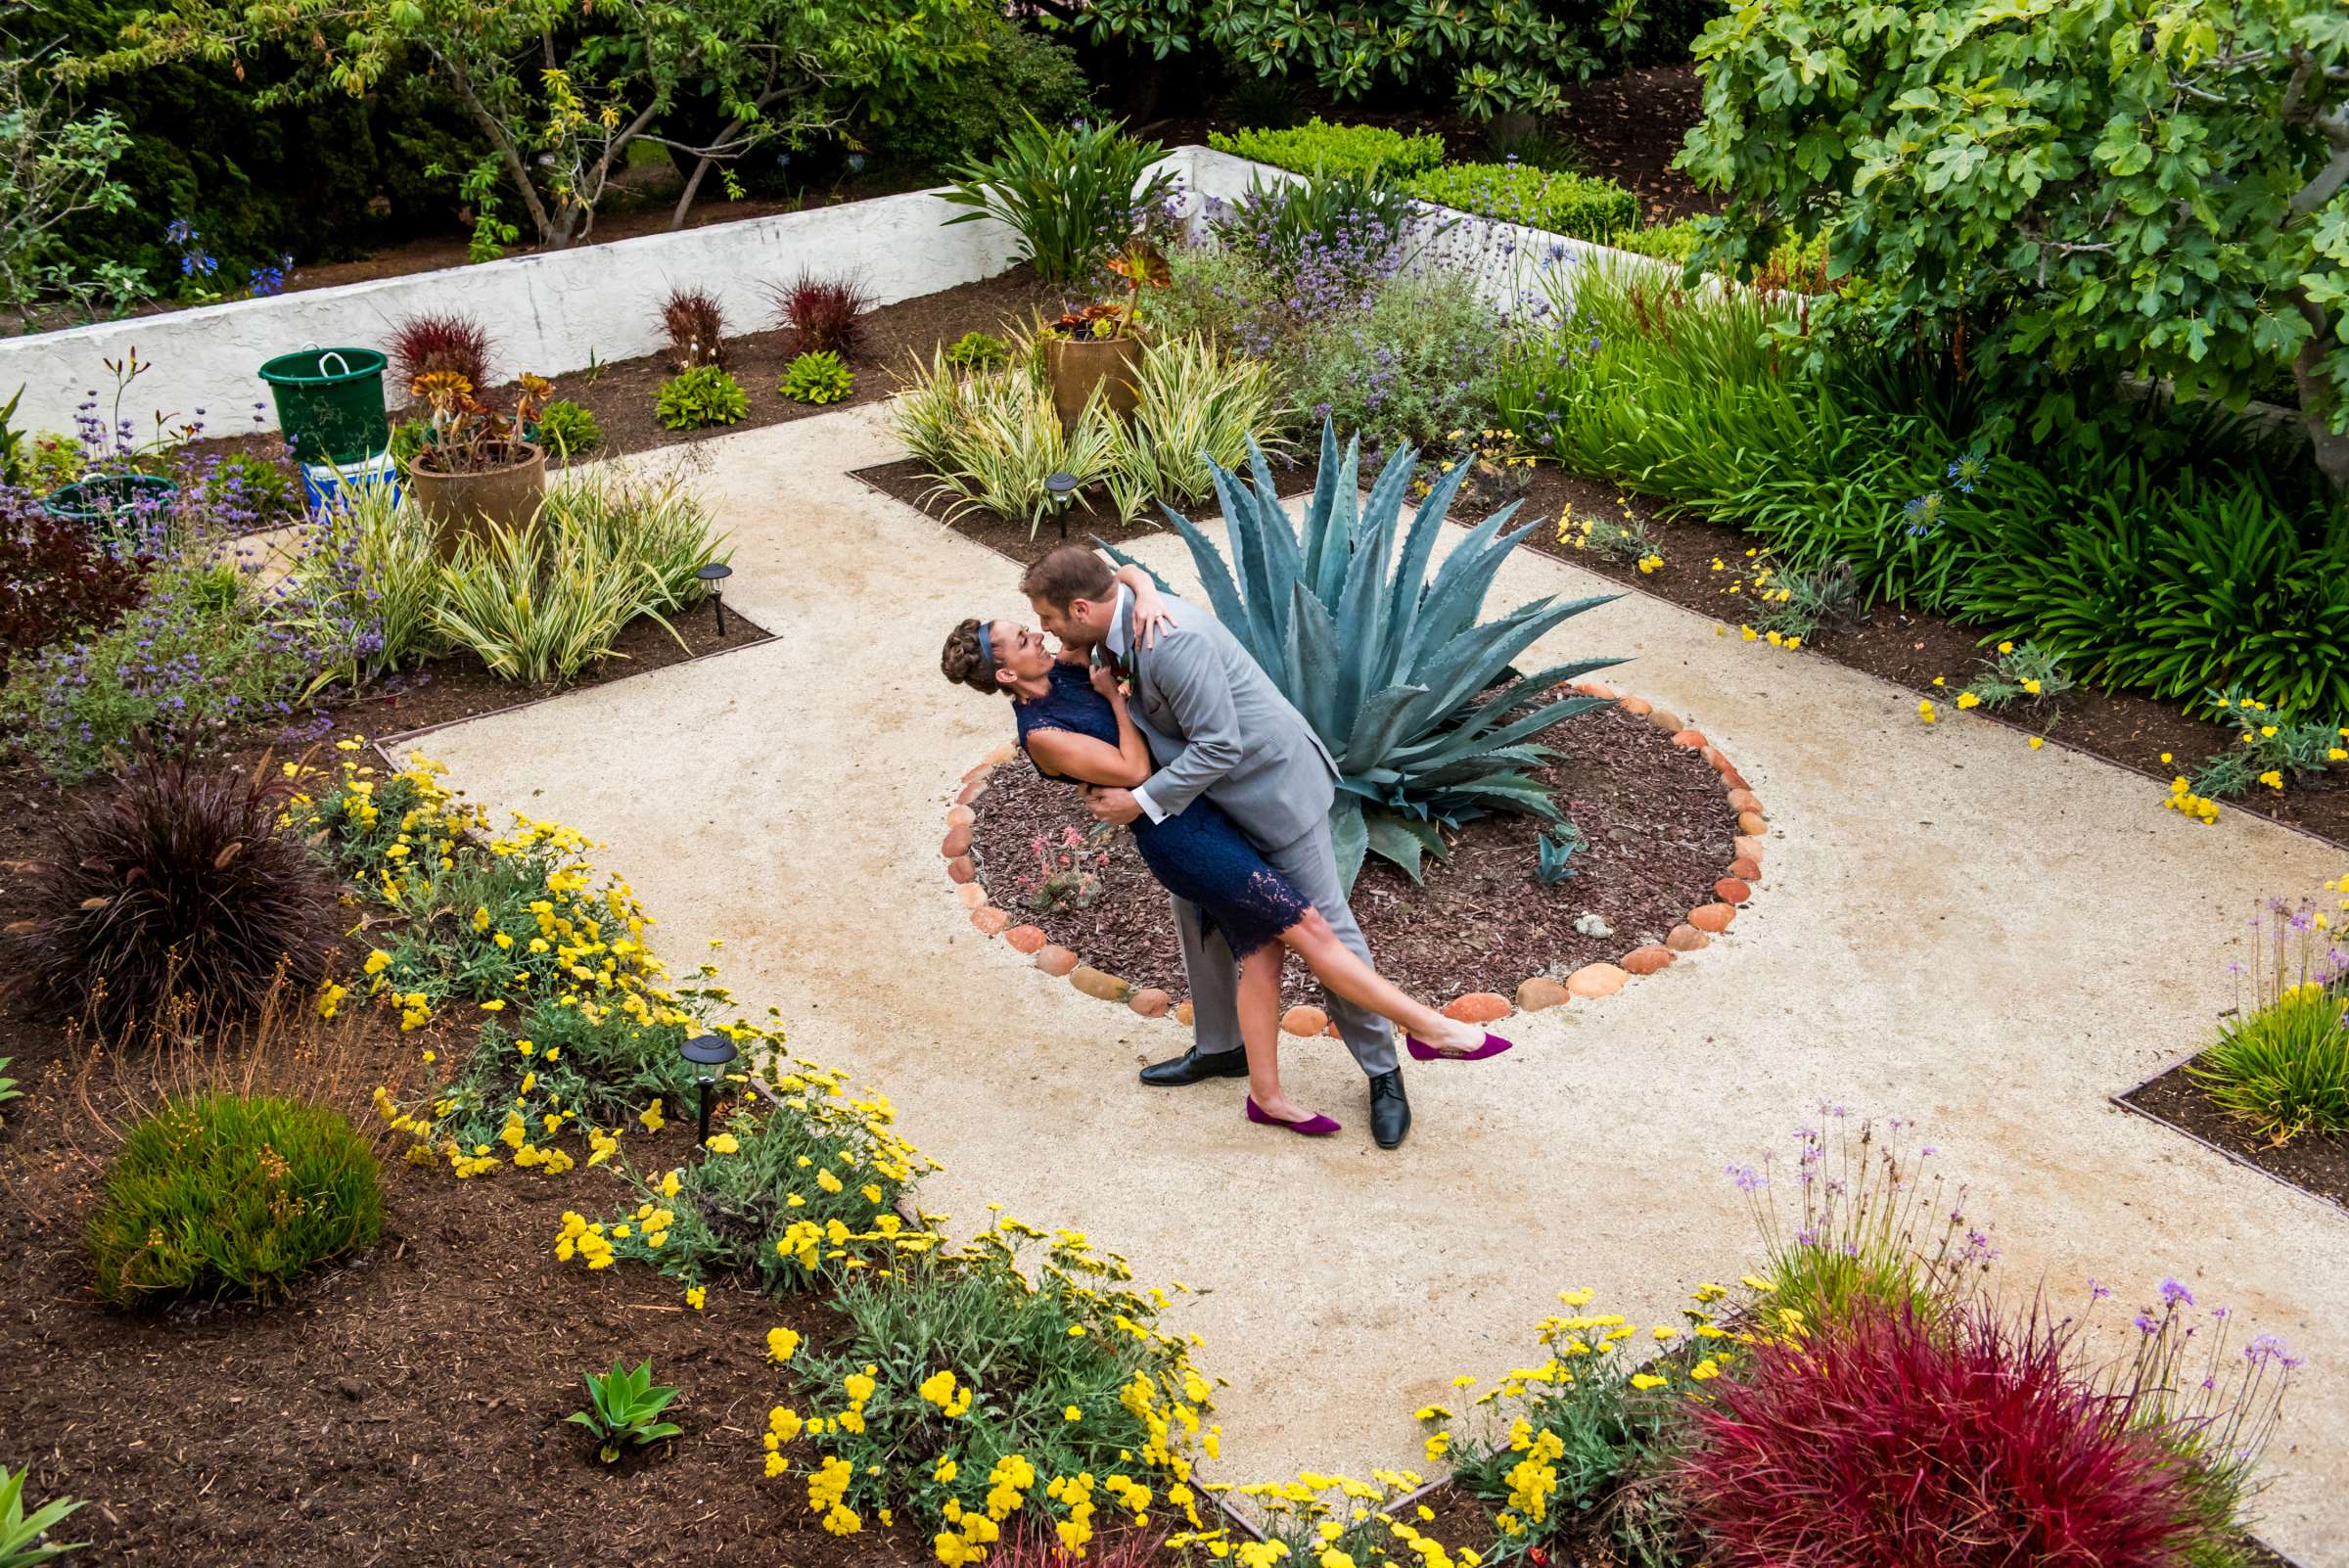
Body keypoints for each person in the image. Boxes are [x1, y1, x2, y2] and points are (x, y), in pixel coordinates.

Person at [940, 552, 1508, 1148]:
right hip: (1195, 813)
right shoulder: (1091, 645)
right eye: (1032, 627)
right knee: (1206, 929)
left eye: (1045, 619)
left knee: (1326, 933)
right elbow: (1104, 570)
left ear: (1081, 609)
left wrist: (1141, 801)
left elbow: (1217, 748)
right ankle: (1220, 1048)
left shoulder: (1166, 641)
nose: (1044, 630)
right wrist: (1142, 583)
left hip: (1267, 792)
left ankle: (1384, 1070)